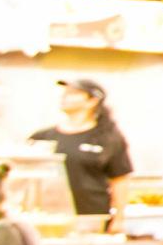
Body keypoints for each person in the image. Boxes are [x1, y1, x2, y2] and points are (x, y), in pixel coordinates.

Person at [28, 77, 133, 218]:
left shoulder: (108, 138)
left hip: (91, 215)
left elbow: (120, 179)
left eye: (73, 93)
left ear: (92, 101)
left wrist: (119, 217)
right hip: (47, 216)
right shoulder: (42, 137)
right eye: (64, 93)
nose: (64, 97)